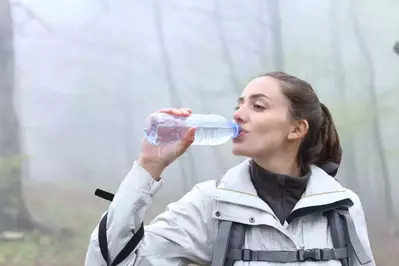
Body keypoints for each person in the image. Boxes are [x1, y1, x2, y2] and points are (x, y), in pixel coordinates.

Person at [84, 72, 375, 266]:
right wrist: (149, 166)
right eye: (239, 105)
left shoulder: (342, 207)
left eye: (257, 106)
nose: (238, 114)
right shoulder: (211, 203)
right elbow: (111, 260)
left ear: (297, 129)